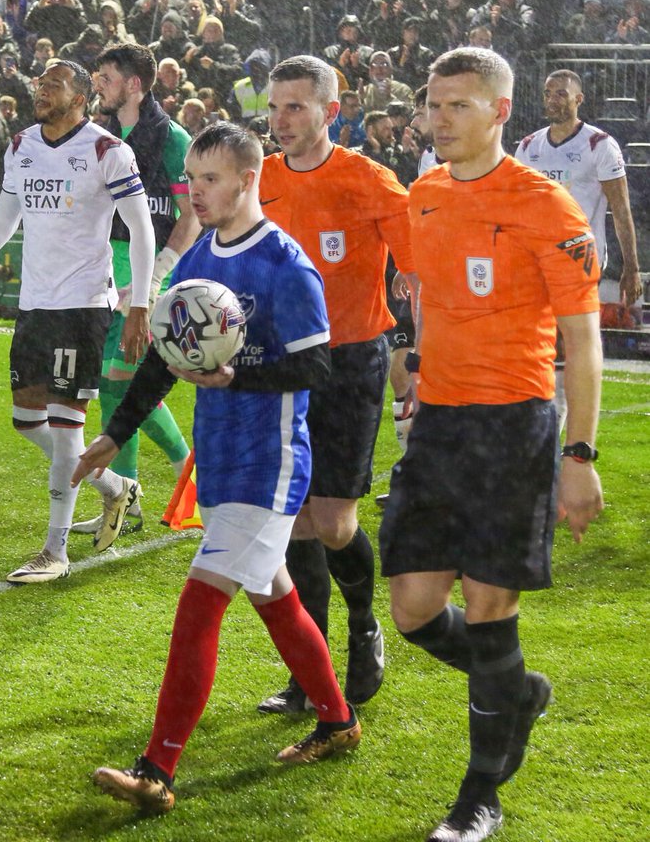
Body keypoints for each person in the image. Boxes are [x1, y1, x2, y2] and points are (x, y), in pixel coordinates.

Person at [72, 121, 361, 813]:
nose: (195, 193)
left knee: (201, 601)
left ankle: (157, 770)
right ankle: (337, 719)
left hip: (271, 464)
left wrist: (238, 381)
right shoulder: (204, 252)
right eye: (191, 180)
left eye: (208, 180)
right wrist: (115, 434)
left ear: (246, 180)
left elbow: (318, 366)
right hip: (224, 457)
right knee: (276, 598)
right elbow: (169, 355)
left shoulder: (286, 266)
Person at [379, 47, 603, 842]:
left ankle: (479, 797)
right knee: (411, 608)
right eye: (432, 105)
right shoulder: (426, 193)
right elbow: (433, 302)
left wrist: (578, 457)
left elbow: (582, 340)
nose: (437, 121)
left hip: (514, 425)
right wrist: (414, 375)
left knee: (487, 609)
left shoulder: (548, 207)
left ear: (500, 112)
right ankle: (517, 692)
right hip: (438, 423)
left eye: (456, 107)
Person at [0, 60, 156, 584]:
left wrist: (139, 302)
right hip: (35, 305)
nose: (41, 91)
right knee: (27, 421)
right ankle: (116, 487)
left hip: (83, 305)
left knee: (66, 423)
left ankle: (54, 550)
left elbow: (141, 230)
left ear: (80, 98)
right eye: (39, 83)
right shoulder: (20, 145)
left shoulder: (107, 150)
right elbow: (4, 219)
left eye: (53, 85)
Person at [257, 55, 416, 714]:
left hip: (350, 361)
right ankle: (310, 666)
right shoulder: (259, 178)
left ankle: (363, 629)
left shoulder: (368, 179)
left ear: (330, 110)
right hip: (280, 366)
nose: (282, 120)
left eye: (296, 106)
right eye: (274, 107)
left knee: (334, 519)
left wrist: (412, 347)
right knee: (292, 521)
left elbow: (419, 268)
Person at [70, 42, 198, 538]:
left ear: (134, 84)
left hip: (142, 276)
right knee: (115, 383)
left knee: (118, 382)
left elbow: (191, 216)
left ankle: (134, 492)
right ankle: (164, 479)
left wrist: (158, 272)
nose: (98, 84)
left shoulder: (171, 139)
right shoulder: (102, 135)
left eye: (106, 76)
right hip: (103, 271)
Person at [516, 68, 642, 430]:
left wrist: (631, 267)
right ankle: (545, 417)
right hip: (535, 258)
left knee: (566, 339)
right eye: (547, 93)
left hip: (579, 257)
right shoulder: (528, 147)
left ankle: (562, 425)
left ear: (578, 99)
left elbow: (621, 210)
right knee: (539, 339)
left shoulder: (598, 144)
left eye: (560, 93)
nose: (552, 100)